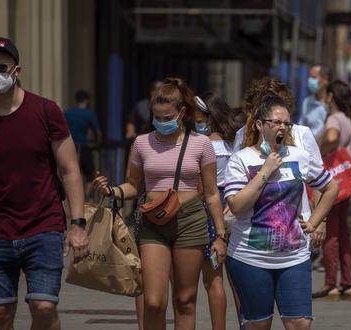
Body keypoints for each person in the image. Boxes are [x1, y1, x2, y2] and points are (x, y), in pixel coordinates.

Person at [0, 36, 89, 329]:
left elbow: (70, 170)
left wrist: (77, 224)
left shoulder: (46, 111)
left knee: (43, 308)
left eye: (1, 67)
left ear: (17, 70)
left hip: (44, 228)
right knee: (0, 315)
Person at [92, 77, 227, 330]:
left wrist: (220, 235)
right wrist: (111, 191)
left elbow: (210, 193)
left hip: (191, 223)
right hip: (152, 223)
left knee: (185, 300)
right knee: (153, 301)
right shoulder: (142, 143)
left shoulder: (201, 145)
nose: (162, 123)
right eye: (157, 118)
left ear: (182, 113)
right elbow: (134, 185)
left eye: (167, 118)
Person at [225, 94, 338, 330]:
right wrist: (265, 171)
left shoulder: (299, 156)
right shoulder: (241, 160)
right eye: (276, 122)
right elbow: (237, 206)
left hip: (294, 257)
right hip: (250, 258)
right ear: (258, 124)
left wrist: (315, 221)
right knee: (259, 325)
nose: (282, 128)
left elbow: (330, 187)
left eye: (287, 124)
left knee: (300, 323)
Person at [193, 92, 239, 330]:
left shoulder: (204, 145)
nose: (195, 122)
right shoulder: (235, 144)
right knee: (236, 281)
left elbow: (202, 187)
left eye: (198, 118)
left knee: (212, 280)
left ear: (208, 117)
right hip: (235, 206)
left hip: (210, 211)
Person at [312, 80, 351, 299]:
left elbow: (331, 137)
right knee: (343, 233)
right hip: (346, 179)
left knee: (330, 232)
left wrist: (318, 153)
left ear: (331, 96)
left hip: (331, 181)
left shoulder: (333, 118)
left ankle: (330, 282)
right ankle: (347, 282)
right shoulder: (350, 119)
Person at [64, 90, 102, 196]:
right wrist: (97, 143)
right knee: (90, 175)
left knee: (72, 173)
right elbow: (98, 133)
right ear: (87, 100)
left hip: (69, 147)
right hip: (84, 147)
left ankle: (75, 196)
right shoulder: (89, 114)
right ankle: (84, 196)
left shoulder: (67, 113)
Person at [298, 64, 331, 136]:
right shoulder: (307, 102)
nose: (310, 80)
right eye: (309, 77)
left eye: (314, 77)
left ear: (325, 79)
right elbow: (301, 127)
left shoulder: (334, 103)